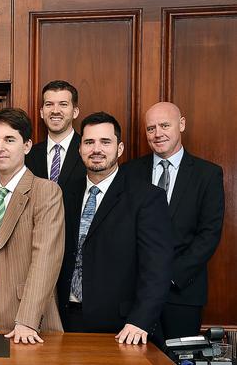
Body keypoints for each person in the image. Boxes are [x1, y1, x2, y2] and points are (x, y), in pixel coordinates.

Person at [56, 112, 175, 344]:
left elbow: (158, 268)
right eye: (89, 142)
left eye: (105, 142)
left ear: (119, 149)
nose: (96, 149)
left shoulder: (147, 198)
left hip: (122, 326)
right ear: (80, 149)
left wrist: (140, 320)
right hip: (65, 319)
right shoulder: (64, 193)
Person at [124, 102, 224, 340]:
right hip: (135, 293)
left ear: (181, 124)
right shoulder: (129, 172)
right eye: (151, 128)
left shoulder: (208, 174)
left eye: (164, 125)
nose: (157, 134)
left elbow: (209, 234)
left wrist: (168, 274)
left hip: (182, 293)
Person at [0, 108, 65, 345]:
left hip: (26, 323)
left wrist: (26, 320)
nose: (0, 147)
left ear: (26, 146)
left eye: (9, 139)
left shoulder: (45, 191)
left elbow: (46, 259)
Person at [25, 80, 85, 194]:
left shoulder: (88, 150)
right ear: (42, 112)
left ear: (75, 112)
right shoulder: (29, 154)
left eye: (63, 104)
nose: (55, 111)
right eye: (49, 104)